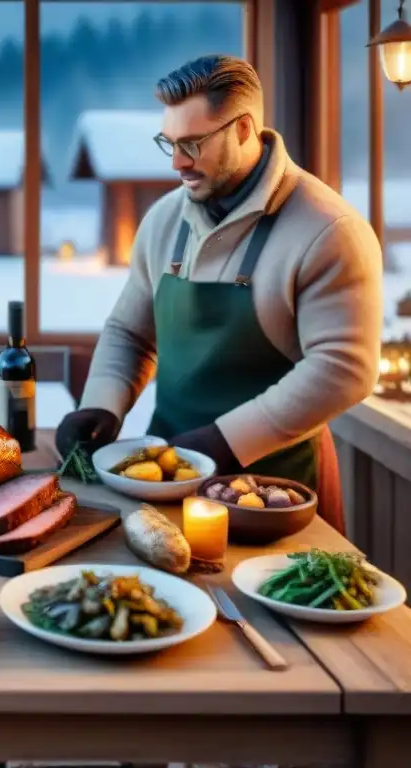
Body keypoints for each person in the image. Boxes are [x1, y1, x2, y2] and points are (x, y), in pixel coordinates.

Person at [56, 54, 382, 533]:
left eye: (192, 144)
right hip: (164, 482)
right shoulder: (163, 220)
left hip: (277, 492)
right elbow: (129, 331)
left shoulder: (330, 230)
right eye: (169, 143)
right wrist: (102, 404)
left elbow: (344, 369)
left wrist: (225, 442)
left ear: (244, 129)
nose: (177, 163)